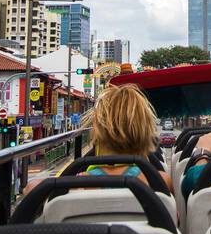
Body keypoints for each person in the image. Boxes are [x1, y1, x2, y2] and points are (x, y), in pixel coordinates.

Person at [22, 82, 172, 195]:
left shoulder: (74, 186)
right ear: (146, 131)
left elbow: (31, 188)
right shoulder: (160, 182)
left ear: (97, 132)